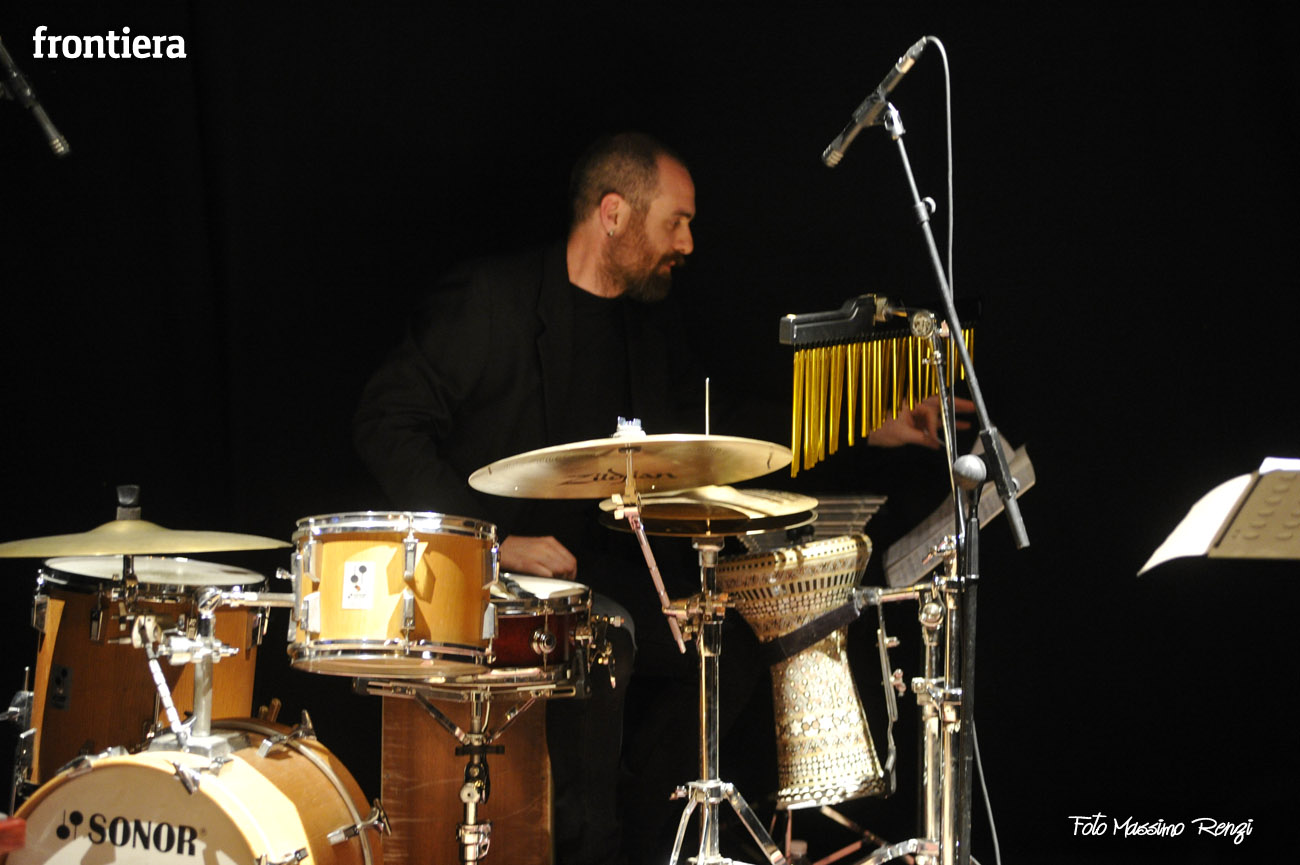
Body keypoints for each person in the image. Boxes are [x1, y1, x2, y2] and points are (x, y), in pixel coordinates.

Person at [354, 132, 966, 865]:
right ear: (613, 213)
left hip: (599, 569)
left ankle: (649, 836)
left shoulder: (645, 326)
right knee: (604, 637)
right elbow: (385, 421)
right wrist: (491, 544)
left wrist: (866, 424)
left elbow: (712, 428)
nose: (688, 243)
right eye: (676, 222)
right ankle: (592, 845)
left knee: (726, 643)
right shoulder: (491, 301)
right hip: (492, 576)